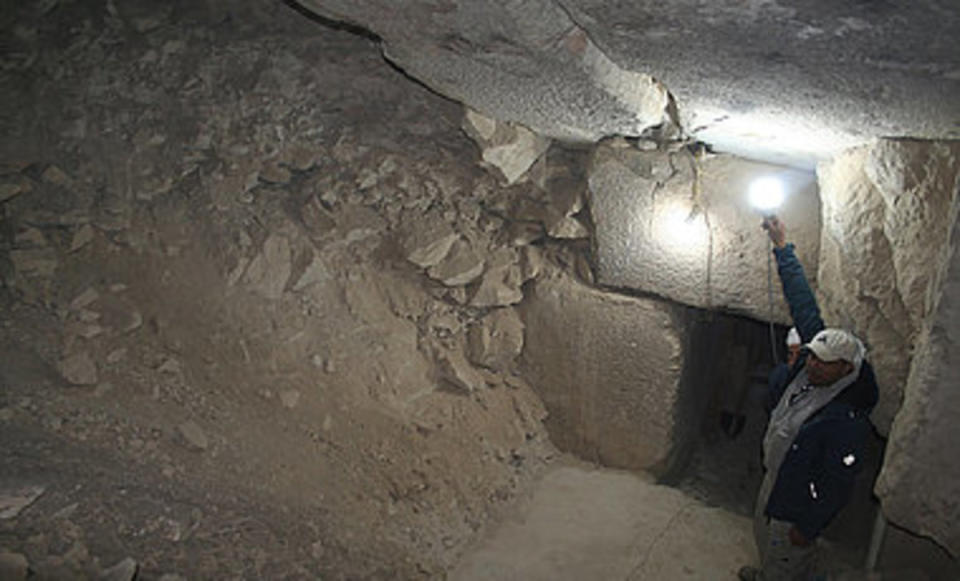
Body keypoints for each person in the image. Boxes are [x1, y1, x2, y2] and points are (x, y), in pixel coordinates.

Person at [739, 217, 879, 581]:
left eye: (824, 363)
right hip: (776, 477)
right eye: (813, 356)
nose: (813, 365)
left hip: (797, 496)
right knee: (763, 537)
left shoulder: (847, 421)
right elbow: (800, 298)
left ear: (847, 369)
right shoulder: (810, 359)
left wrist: (810, 525)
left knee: (787, 556)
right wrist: (781, 245)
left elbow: (837, 481)